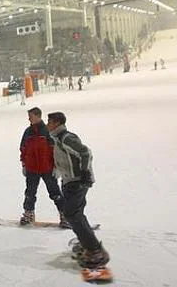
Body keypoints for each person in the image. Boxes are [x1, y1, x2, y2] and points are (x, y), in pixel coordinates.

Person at [46, 112, 109, 268]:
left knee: (71, 214)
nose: (47, 124)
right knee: (75, 214)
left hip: (78, 181)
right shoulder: (58, 138)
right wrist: (58, 170)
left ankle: (95, 251)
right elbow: (65, 158)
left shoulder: (66, 138)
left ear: (57, 123)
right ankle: (87, 244)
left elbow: (85, 152)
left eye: (49, 122)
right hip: (69, 181)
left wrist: (85, 172)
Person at [19, 107, 68, 228]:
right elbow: (23, 148)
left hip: (47, 168)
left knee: (55, 193)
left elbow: (56, 150)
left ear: (37, 116)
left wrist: (56, 166)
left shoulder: (48, 131)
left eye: (31, 116)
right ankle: (28, 214)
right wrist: (24, 164)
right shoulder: (28, 132)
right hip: (32, 169)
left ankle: (65, 215)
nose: (29, 118)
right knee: (30, 193)